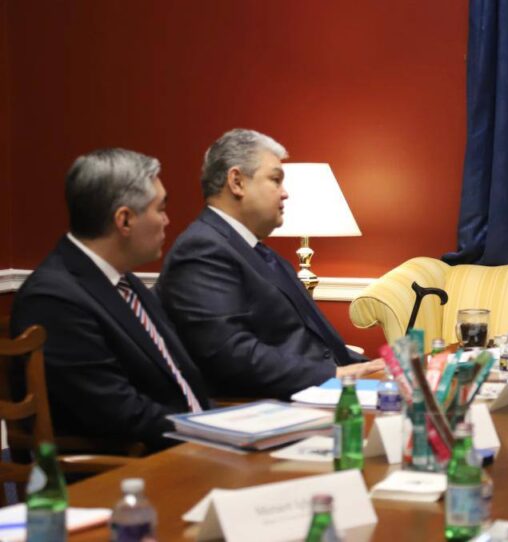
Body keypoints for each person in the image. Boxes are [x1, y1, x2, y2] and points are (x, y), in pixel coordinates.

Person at [10, 149, 210, 451]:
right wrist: (210, 430)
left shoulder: (122, 280)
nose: (167, 220)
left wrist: (227, 425)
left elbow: (180, 380)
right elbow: (119, 413)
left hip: (185, 443)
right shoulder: (53, 300)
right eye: (160, 209)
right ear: (124, 220)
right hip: (128, 466)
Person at [159, 129, 382, 398]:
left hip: (318, 392)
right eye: (276, 180)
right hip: (265, 405)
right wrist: (334, 375)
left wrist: (372, 368)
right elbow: (230, 354)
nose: (285, 194)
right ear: (237, 182)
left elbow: (319, 342)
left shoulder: (258, 251)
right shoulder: (202, 249)